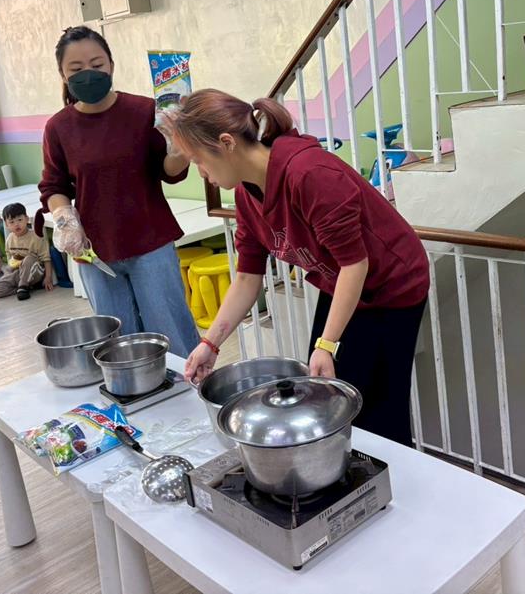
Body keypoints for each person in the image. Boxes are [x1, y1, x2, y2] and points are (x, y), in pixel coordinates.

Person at [174, 90, 430, 446]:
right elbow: (247, 277)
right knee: (328, 390)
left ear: (227, 143)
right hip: (341, 281)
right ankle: (344, 461)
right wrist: (210, 344)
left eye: (199, 161)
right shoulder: (247, 195)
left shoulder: (309, 173)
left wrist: (327, 343)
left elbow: (355, 264)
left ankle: (388, 468)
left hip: (391, 285)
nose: (202, 173)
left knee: (377, 409)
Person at [38, 26, 199, 357]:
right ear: (62, 75)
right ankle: (131, 391)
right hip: (95, 253)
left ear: (111, 65)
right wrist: (65, 220)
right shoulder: (58, 127)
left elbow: (169, 172)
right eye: (76, 69)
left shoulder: (144, 111)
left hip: (151, 243)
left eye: (97, 65)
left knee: (173, 336)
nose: (88, 74)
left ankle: (188, 389)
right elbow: (54, 185)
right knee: (118, 344)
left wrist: (180, 150)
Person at [0, 203, 53, 300]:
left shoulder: (35, 236)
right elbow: (10, 259)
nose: (16, 224)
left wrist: (48, 277)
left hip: (36, 272)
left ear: (26, 219)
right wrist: (9, 273)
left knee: (29, 259)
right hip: (18, 272)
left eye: (20, 220)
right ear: (6, 225)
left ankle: (23, 286)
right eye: (12, 222)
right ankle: (26, 287)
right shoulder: (9, 239)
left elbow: (46, 258)